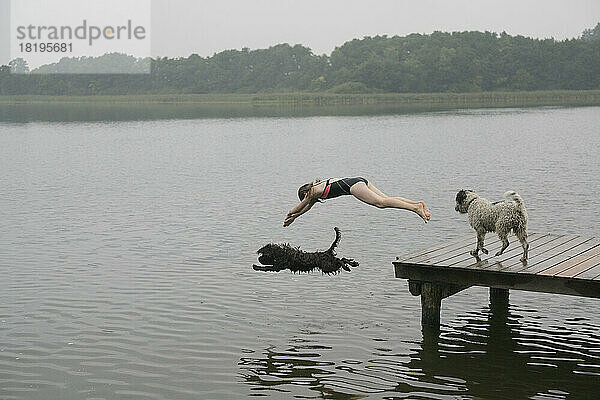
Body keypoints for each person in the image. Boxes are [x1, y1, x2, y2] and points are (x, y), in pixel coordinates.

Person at [283, 177, 431, 227]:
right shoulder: (316, 191)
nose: (305, 199)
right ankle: (416, 204)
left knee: (380, 203)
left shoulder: (312, 191)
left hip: (353, 187)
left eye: (303, 197)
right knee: (386, 200)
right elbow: (306, 208)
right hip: (359, 180)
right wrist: (295, 217)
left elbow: (301, 206)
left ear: (304, 192)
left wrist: (290, 214)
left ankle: (415, 209)